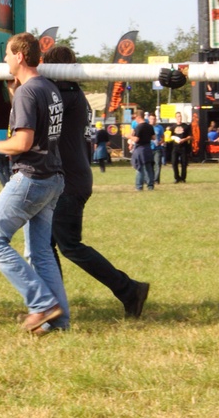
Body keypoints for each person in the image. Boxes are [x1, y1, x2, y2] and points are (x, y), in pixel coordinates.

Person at [44, 45, 150, 317]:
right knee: (46, 245)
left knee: (69, 245)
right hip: (71, 178)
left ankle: (129, 289)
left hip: (69, 182)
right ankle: (51, 302)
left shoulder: (65, 94)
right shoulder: (72, 93)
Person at [0, 32, 68, 335]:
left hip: (32, 177)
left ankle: (41, 303)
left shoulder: (30, 92)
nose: (4, 60)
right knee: (41, 253)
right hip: (53, 177)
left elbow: (23, 141)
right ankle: (59, 320)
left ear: (19, 56)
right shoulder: (48, 88)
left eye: (6, 54)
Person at [128, 110, 155, 191]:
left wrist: (129, 136)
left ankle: (139, 186)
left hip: (140, 149)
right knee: (149, 168)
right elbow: (154, 137)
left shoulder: (139, 127)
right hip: (148, 148)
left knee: (139, 167)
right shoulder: (150, 126)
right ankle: (150, 186)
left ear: (139, 117)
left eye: (135, 117)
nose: (135, 119)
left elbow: (136, 139)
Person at [170, 112, 191, 183]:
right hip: (175, 147)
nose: (179, 118)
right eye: (178, 116)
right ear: (175, 118)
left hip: (183, 147)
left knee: (184, 163)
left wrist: (184, 139)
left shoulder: (186, 126)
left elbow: (190, 136)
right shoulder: (172, 127)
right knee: (174, 162)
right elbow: (170, 136)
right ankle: (177, 177)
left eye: (180, 116)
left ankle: (183, 178)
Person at [149, 113, 164, 186]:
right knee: (150, 165)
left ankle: (156, 180)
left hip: (157, 149)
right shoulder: (147, 127)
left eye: (154, 119)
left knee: (157, 164)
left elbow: (163, 137)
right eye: (151, 119)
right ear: (149, 119)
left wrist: (161, 142)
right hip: (149, 149)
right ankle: (150, 179)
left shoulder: (159, 127)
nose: (152, 120)